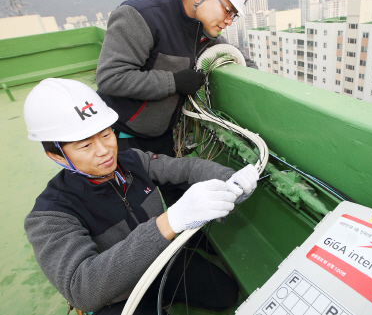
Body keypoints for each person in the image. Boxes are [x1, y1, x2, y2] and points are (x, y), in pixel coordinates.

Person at [23, 78, 259, 314]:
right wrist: (169, 221)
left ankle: (163, 298)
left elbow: (185, 169)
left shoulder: (133, 161)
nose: (104, 151)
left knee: (225, 295)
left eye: (106, 135)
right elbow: (82, 290)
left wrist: (230, 178)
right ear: (56, 156)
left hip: (162, 260)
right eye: (85, 146)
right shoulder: (50, 215)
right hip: (118, 295)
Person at [95, 0, 257, 159]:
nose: (228, 20)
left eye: (233, 16)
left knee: (178, 190)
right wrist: (173, 82)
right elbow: (110, 77)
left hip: (162, 137)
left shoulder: (203, 30)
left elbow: (234, 55)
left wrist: (256, 78)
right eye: (228, 10)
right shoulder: (141, 16)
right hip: (120, 138)